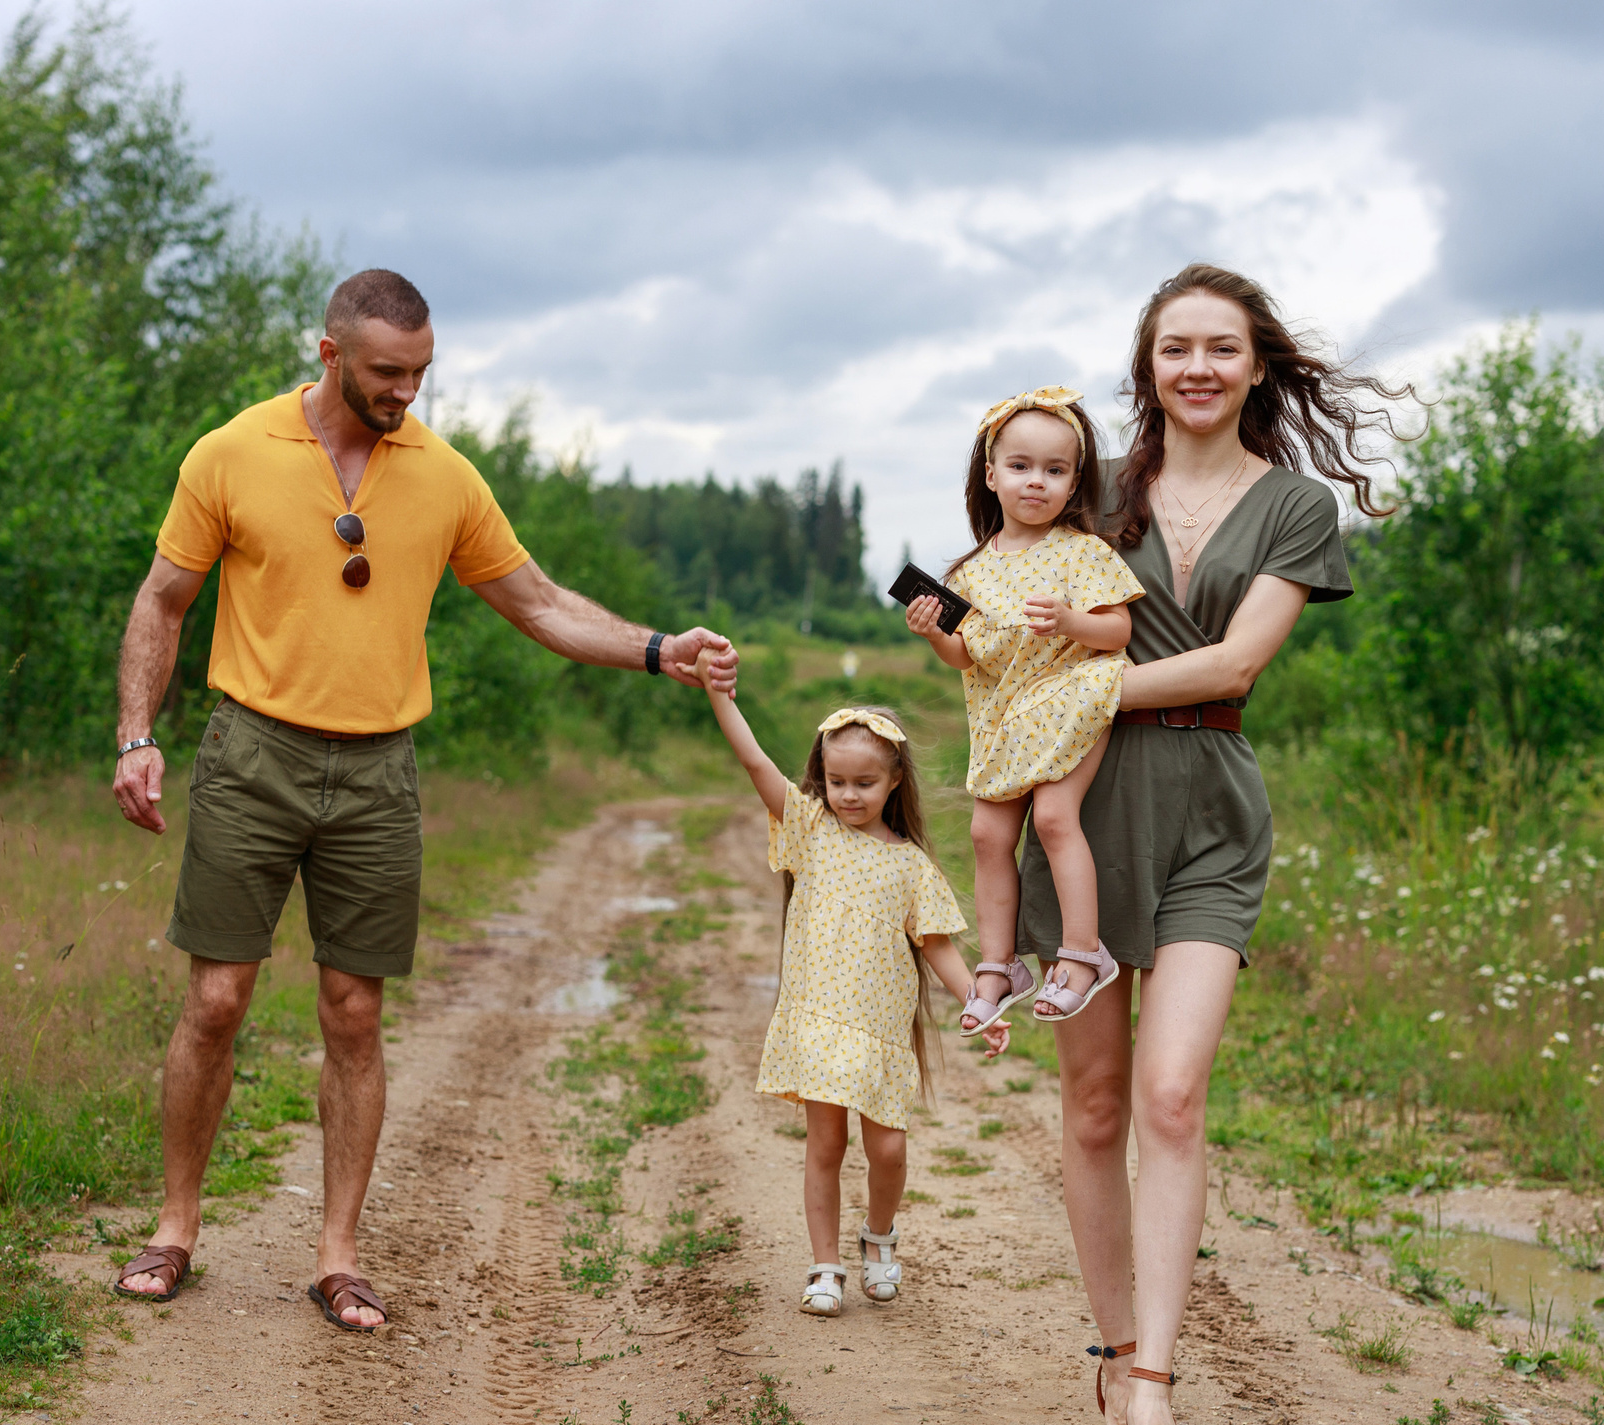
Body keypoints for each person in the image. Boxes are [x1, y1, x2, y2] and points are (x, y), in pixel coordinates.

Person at [107, 268, 738, 1327]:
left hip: (377, 772)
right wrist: (137, 735)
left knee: (354, 1013)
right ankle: (175, 1229)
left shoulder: (443, 476)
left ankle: (339, 1253)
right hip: (250, 752)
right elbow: (163, 599)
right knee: (215, 1002)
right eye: (386, 373)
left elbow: (535, 602)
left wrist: (655, 647)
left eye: (420, 374)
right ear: (329, 355)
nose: (405, 393)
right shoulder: (230, 453)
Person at [1014, 264, 1406, 1425]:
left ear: (1254, 365)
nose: (1196, 367)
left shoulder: (1295, 507)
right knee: (1092, 1107)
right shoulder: (1095, 494)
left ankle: (1157, 1389)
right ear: (1147, 368)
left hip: (1210, 818)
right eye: (1173, 347)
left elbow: (1236, 661)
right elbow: (1006, 605)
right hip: (1078, 811)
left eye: (1219, 348)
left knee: (1171, 1096)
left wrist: (1073, 685)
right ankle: (1113, 1348)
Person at [702, 691, 1010, 1316]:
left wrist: (981, 1002)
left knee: (888, 1150)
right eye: (836, 781)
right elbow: (758, 765)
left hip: (879, 1034)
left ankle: (879, 1237)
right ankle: (825, 1266)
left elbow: (937, 946)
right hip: (817, 1021)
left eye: (865, 783)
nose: (848, 795)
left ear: (895, 781)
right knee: (825, 1145)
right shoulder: (810, 829)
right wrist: (721, 698)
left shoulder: (912, 866)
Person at [901, 386, 1144, 1027]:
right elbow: (967, 656)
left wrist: (1071, 620)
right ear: (991, 475)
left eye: (1055, 470)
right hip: (1003, 718)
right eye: (1020, 466)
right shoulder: (970, 573)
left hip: (1068, 703)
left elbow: (1118, 632)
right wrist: (934, 633)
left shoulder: (1083, 554)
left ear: (1074, 484)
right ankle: (999, 963)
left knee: (1057, 818)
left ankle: (1085, 952)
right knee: (987, 834)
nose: (1036, 482)